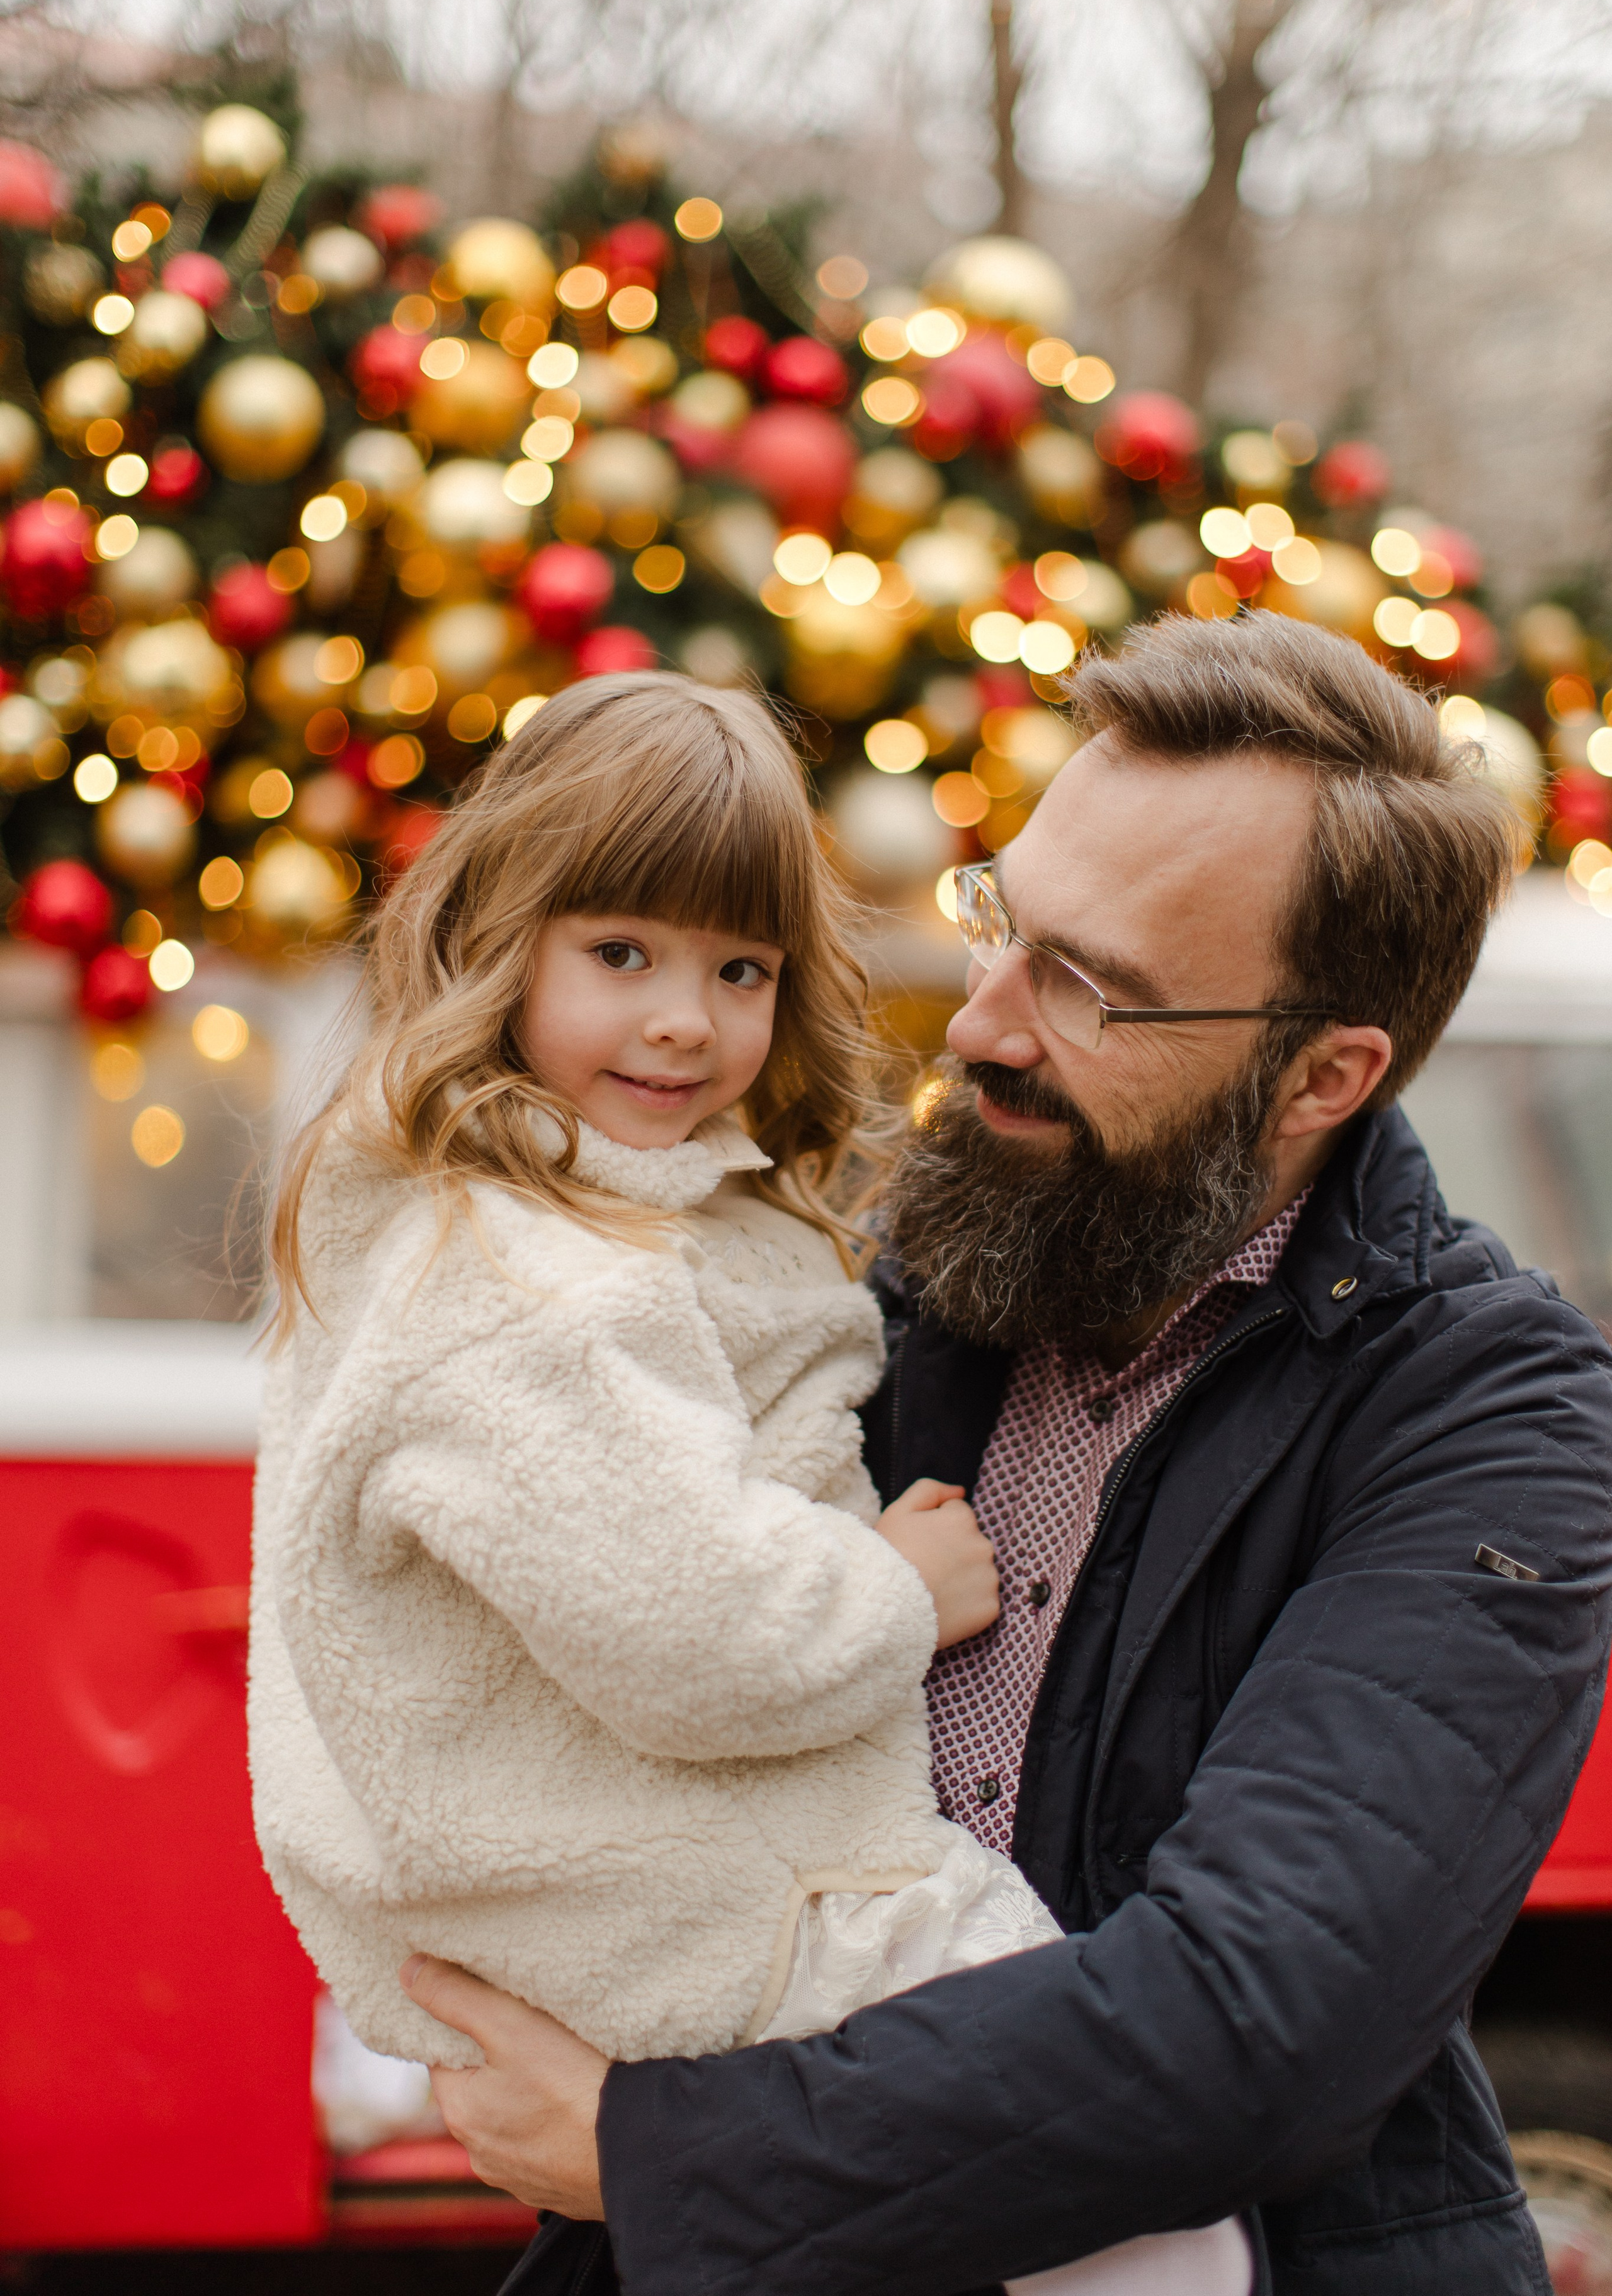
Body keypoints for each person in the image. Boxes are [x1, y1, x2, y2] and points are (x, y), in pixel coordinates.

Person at [399, 612, 1612, 2296]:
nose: (978, 1024)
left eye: (1089, 984)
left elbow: (1257, 2020)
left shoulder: (1489, 1414)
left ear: (1324, 1074)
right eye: (1002, 924)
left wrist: (653, 2151)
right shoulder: (904, 1279)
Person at [251, 673, 1217, 2286]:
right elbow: (689, 1631)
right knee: (1128, 2202)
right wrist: (892, 1595)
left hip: (697, 1887)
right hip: (696, 1906)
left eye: (739, 967)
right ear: (501, 944)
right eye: (620, 953)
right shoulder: (515, 1284)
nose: (686, 1017)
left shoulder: (617, 1216)